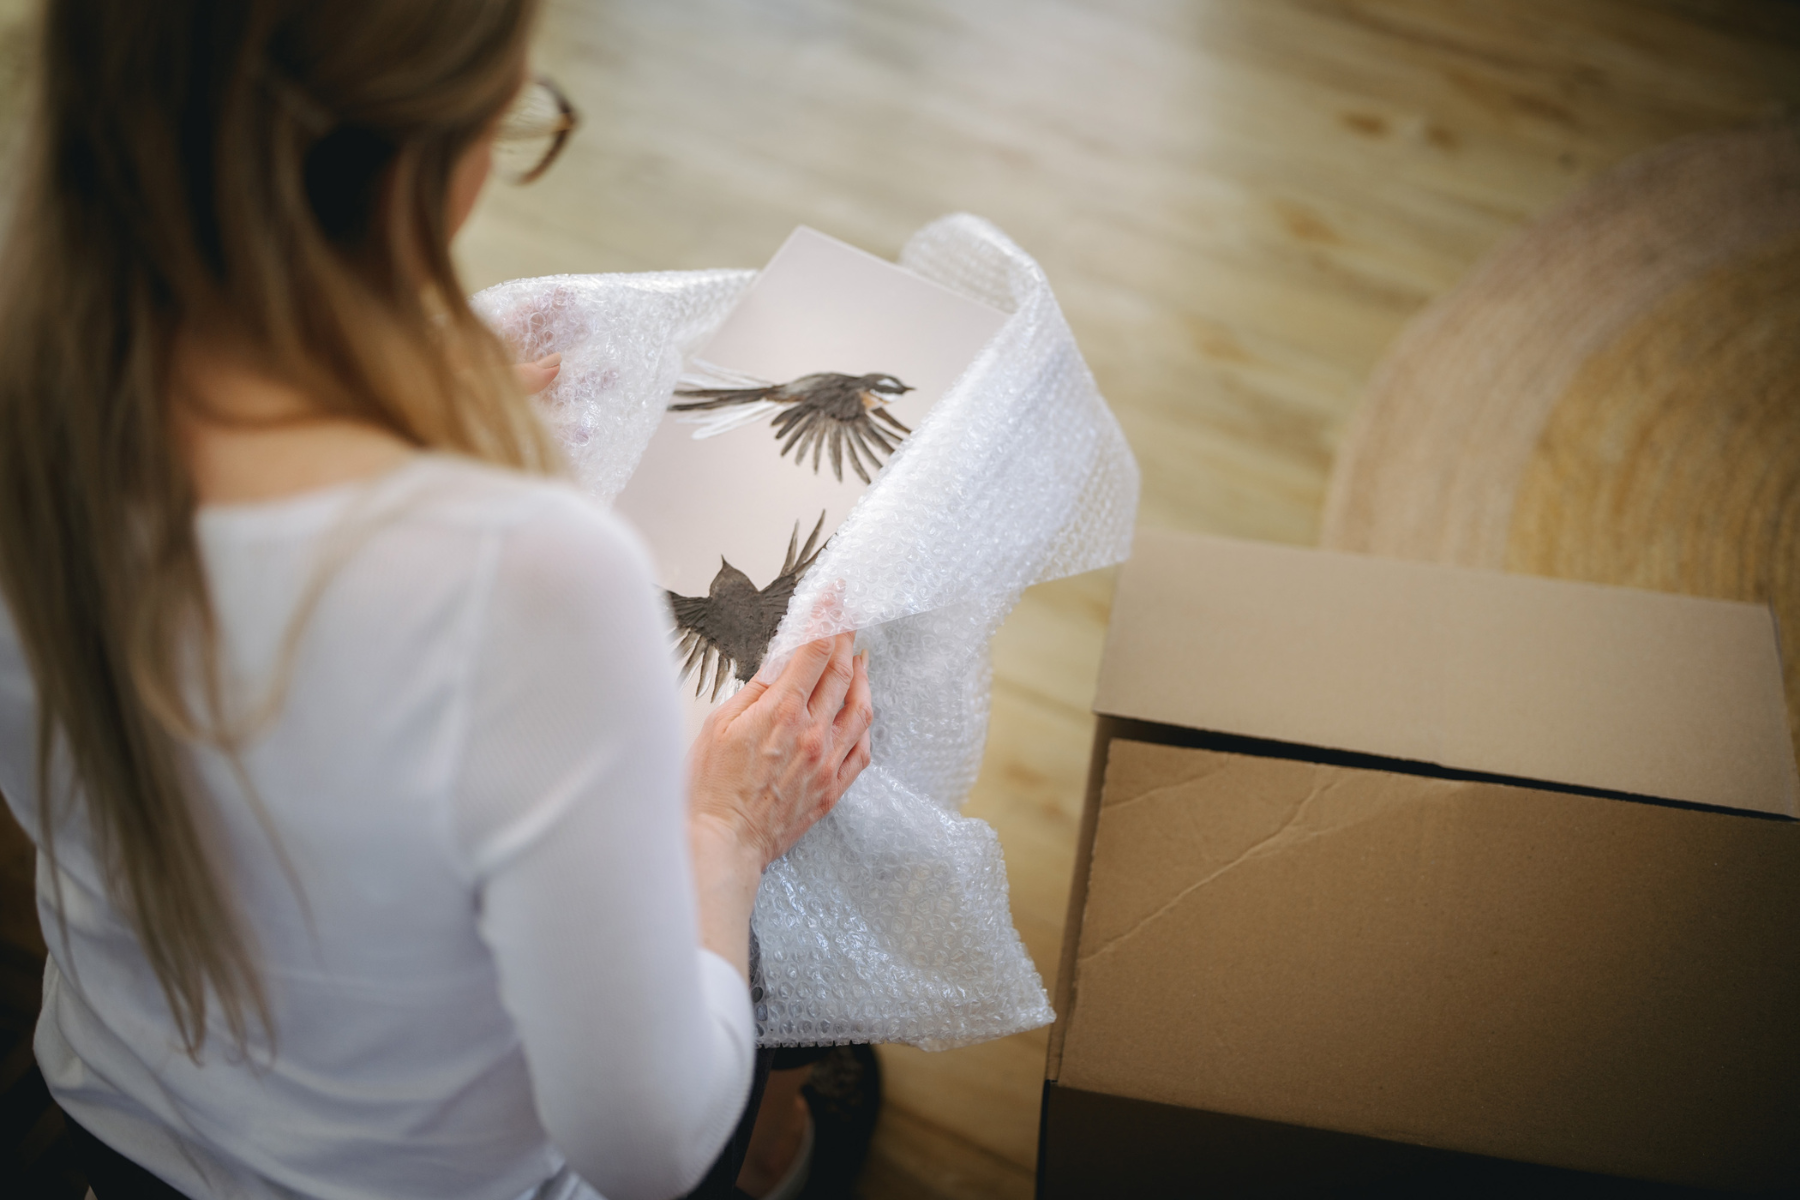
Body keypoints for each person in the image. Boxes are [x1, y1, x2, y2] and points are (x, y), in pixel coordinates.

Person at [0, 1, 870, 1197]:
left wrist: (353, 377)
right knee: (775, 850)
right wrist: (726, 836)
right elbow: (649, 1147)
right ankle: (784, 1146)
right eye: (515, 114)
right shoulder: (530, 580)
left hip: (111, 1128)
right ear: (421, 152)